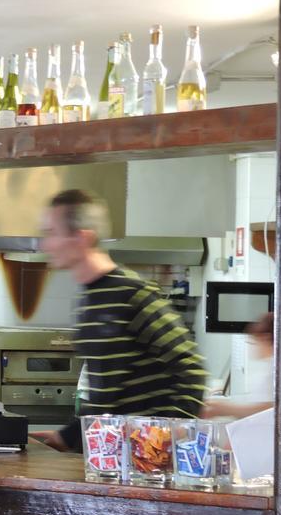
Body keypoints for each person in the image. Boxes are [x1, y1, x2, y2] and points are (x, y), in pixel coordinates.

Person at [33, 189, 206, 452]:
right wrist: (71, 435)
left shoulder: (133, 293)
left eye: (52, 233)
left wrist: (159, 441)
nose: (45, 245)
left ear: (82, 238)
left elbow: (190, 369)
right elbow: (107, 393)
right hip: (115, 456)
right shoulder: (89, 300)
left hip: (147, 461)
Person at [202, 312, 275, 420]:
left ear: (266, 338)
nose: (251, 347)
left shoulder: (275, 371)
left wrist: (221, 408)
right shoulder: (268, 367)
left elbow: (268, 410)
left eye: (253, 342)